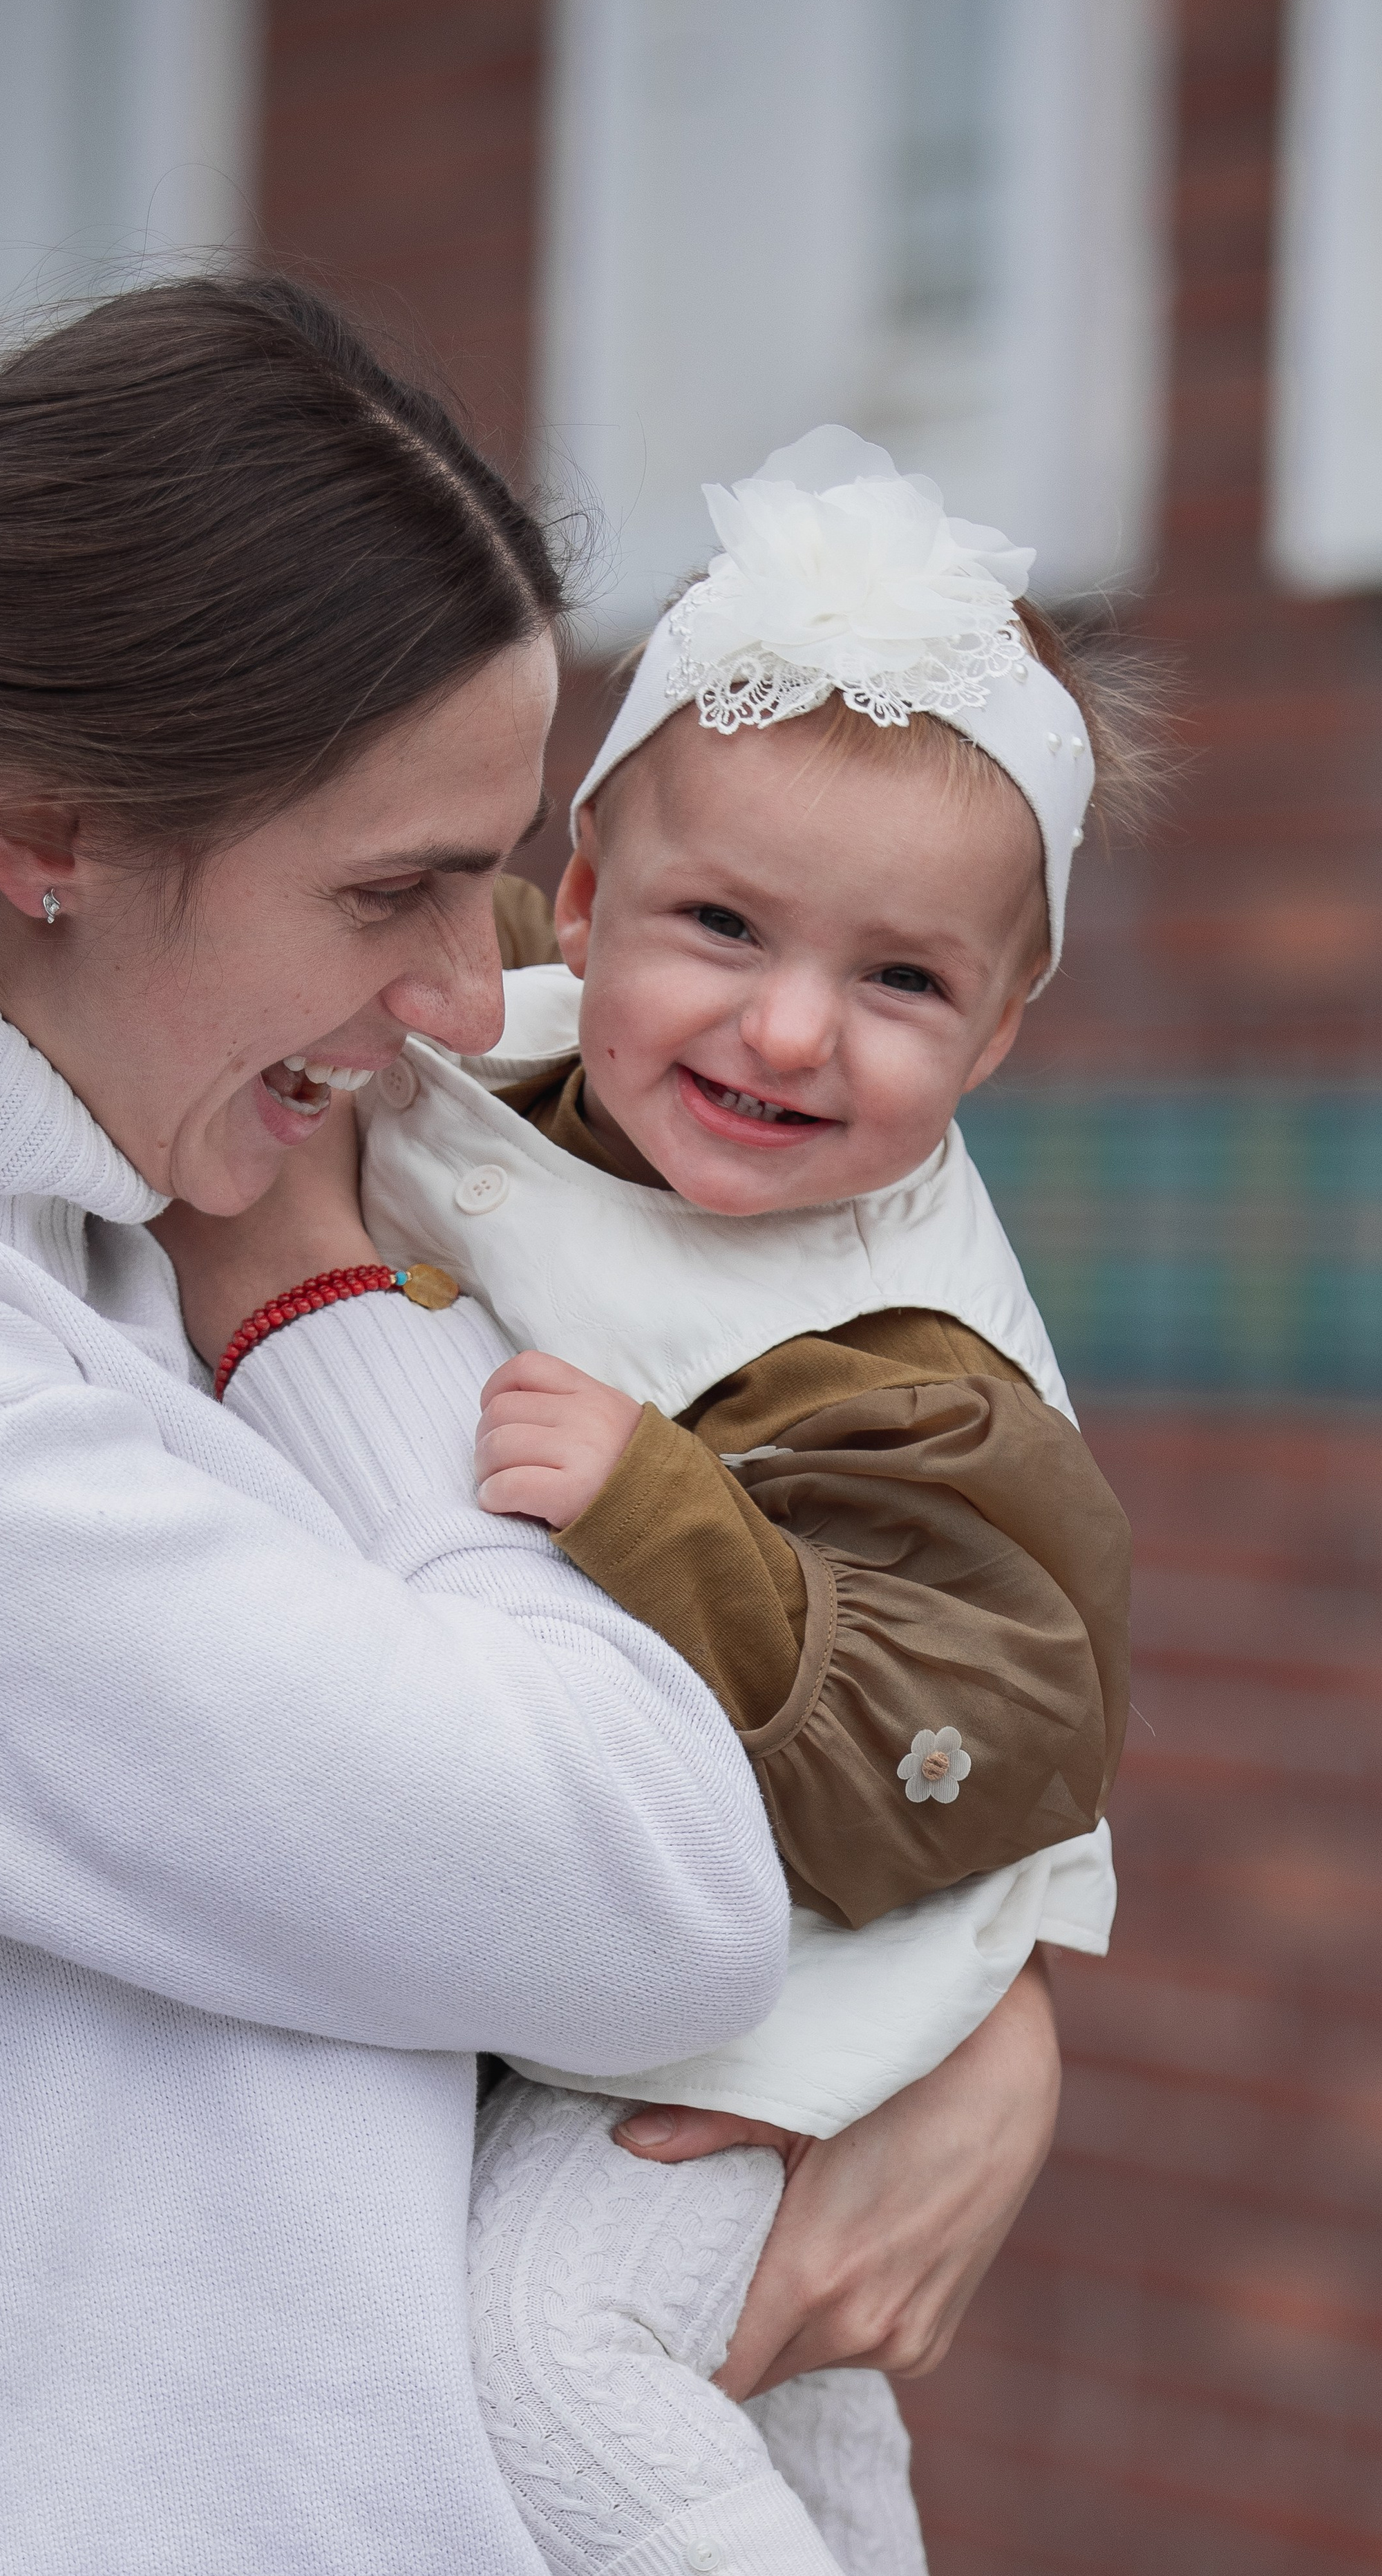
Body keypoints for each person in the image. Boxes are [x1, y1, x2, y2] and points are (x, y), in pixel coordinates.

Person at [0, 286, 1061, 2576]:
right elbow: (646, 1884)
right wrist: (317, 1304)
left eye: (489, 875)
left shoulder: (123, 1216)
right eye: (391, 890)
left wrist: (983, 2024)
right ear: (48, 826)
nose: (476, 996)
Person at [352, 431, 1144, 2576]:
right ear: (581, 904)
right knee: (804, 2435)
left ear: (998, 1031)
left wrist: (667, 1509)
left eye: (903, 981)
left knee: (551, 2352)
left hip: (789, 2001)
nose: (789, 1029)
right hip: (599, 1957)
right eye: (720, 923)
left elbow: (996, 1716)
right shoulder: (509, 1036)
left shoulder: (914, 1361)